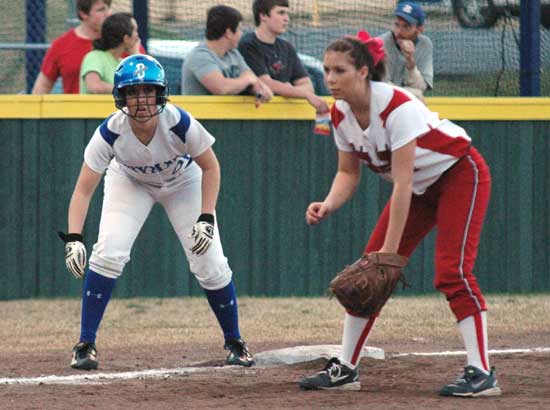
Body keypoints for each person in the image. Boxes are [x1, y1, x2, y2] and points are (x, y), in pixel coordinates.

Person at [298, 33, 501, 398]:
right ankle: (346, 367)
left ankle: (482, 371)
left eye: (339, 70)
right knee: (365, 276)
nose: (329, 78)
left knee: (452, 271)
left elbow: (403, 183)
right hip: (419, 189)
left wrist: (388, 257)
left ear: (363, 72)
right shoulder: (340, 113)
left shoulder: (397, 106)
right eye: (326, 70)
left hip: (459, 173)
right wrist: (328, 202)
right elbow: (348, 173)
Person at [58, 54, 254, 370]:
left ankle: (235, 340)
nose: (141, 99)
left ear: (159, 92)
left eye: (147, 90)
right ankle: (85, 344)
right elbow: (83, 189)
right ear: (121, 97)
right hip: (130, 181)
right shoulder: (110, 131)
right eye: (132, 92)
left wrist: (206, 216)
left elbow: (211, 167)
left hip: (183, 181)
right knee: (108, 253)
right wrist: (74, 237)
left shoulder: (178, 121)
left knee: (210, 262)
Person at [238, 0, 329, 113]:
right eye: (281, 13)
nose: (287, 19)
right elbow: (265, 83)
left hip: (284, 115)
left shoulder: (286, 47)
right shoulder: (248, 45)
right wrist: (302, 94)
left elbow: (307, 85)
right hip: (254, 115)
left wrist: (286, 89)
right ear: (263, 16)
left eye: (287, 14)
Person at [182, 5, 272, 106]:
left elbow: (255, 81)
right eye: (239, 29)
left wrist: (256, 87)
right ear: (228, 33)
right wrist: (247, 80)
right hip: (200, 118)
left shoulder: (233, 54)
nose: (241, 34)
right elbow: (221, 88)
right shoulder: (200, 56)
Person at [32, 0, 112, 94]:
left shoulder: (120, 41)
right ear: (83, 14)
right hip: (76, 107)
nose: (108, 14)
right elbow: (42, 87)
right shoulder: (61, 45)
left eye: (108, 8)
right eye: (101, 10)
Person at [379, 1, 433, 101]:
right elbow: (381, 86)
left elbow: (421, 87)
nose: (399, 31)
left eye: (406, 26)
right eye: (397, 25)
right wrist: (411, 94)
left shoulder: (425, 44)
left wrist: (410, 62)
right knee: (417, 96)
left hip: (403, 98)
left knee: (417, 96)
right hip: (379, 98)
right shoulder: (382, 43)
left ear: (419, 29)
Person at [80, 12, 141, 94]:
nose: (137, 36)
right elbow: (94, 86)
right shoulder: (94, 57)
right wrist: (127, 90)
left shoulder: (123, 64)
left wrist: (136, 55)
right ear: (126, 38)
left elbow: (143, 86)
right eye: (135, 31)